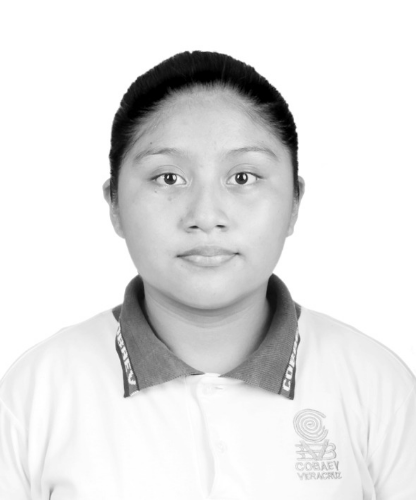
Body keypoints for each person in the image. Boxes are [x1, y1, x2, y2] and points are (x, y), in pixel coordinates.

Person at [0, 51, 415, 500]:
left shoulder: (377, 386)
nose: (205, 215)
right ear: (114, 204)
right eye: (168, 178)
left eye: (243, 177)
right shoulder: (35, 393)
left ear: (294, 202)